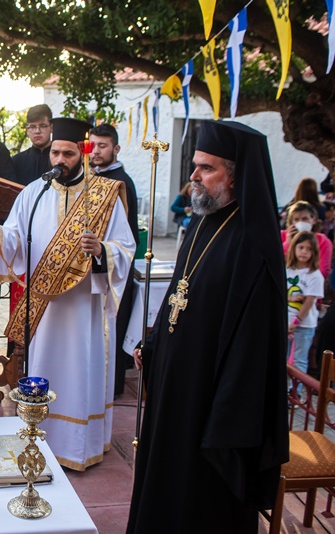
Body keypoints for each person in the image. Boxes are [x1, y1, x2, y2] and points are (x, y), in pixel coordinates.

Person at [128, 121, 289, 533]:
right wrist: (154, 340)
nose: (193, 177)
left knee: (200, 504)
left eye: (206, 168)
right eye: (195, 166)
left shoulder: (252, 245)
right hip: (175, 391)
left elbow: (252, 348)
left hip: (210, 406)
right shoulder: (202, 222)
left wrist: (224, 419)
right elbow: (179, 296)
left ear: (236, 176)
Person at [0, 117, 136, 470]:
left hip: (84, 308)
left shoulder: (105, 194)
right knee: (45, 368)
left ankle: (80, 446)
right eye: (55, 153)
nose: (59, 160)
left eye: (67, 153)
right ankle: (39, 438)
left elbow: (125, 248)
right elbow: (18, 239)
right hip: (46, 311)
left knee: (79, 372)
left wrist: (101, 250)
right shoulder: (34, 193)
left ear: (81, 153)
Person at [90, 123, 140, 397]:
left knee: (112, 329)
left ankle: (111, 389)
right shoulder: (94, 177)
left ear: (116, 148)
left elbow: (124, 235)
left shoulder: (121, 182)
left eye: (103, 146)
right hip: (98, 266)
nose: (96, 152)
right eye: (94, 145)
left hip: (114, 267)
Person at [286, 231, 324, 380]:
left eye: (309, 249)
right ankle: (284, 391)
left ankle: (296, 393)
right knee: (283, 357)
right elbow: (282, 292)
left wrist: (295, 323)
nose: (304, 252)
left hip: (304, 324)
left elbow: (309, 301)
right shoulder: (288, 270)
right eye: (301, 247)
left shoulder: (314, 275)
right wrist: (291, 297)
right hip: (287, 321)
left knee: (299, 360)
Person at [281, 200, 332, 280]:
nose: (300, 222)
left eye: (305, 219)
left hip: (310, 284)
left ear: (314, 220)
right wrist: (288, 243)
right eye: (296, 219)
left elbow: (324, 270)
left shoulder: (323, 241)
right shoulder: (282, 236)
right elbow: (275, 262)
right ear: (291, 222)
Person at [11, 104, 53, 185]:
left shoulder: (59, 160)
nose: (37, 131)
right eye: (32, 127)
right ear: (27, 130)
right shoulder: (16, 161)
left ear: (51, 128)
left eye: (43, 126)